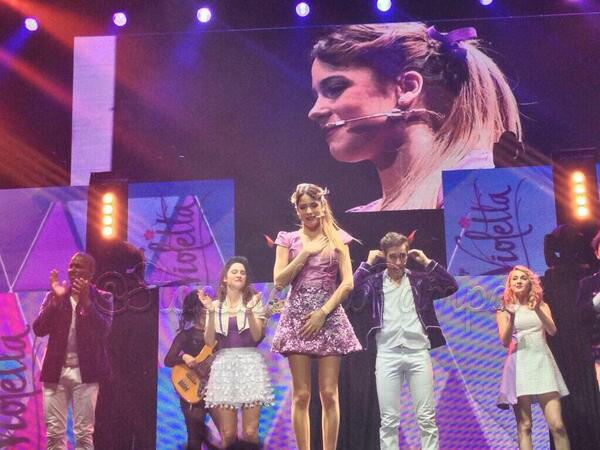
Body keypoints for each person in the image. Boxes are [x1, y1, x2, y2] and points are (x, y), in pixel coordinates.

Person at [308, 23, 521, 211]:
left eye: (334, 88)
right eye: (317, 95)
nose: (314, 111)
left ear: (407, 88)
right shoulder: (356, 220)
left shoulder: (479, 184)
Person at [271, 183, 362, 450]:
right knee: (301, 394)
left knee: (329, 393)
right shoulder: (288, 239)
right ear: (297, 210)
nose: (309, 211)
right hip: (298, 317)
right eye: (304, 207)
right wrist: (305, 253)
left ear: (322, 206)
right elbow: (279, 281)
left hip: (328, 314)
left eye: (314, 205)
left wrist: (323, 313)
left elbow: (347, 283)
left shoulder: (338, 238)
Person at [350, 232, 458, 449]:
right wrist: (367, 265)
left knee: (426, 417)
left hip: (418, 353)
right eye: (393, 256)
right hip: (387, 354)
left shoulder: (420, 280)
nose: (398, 261)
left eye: (403, 256)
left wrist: (427, 262)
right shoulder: (374, 282)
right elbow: (351, 295)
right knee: (389, 420)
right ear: (384, 256)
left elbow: (451, 285)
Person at [32, 252, 113, 450]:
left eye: (79, 266)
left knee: (84, 433)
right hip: (55, 372)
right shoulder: (55, 295)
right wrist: (55, 301)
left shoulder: (103, 297)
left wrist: (86, 302)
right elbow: (39, 329)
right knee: (54, 433)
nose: (73, 270)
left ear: (91, 272)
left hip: (86, 373)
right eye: (71, 266)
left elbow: (104, 331)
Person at [200, 256, 273, 448]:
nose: (239, 275)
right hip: (224, 366)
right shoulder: (215, 306)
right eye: (234, 272)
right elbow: (209, 341)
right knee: (228, 433)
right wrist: (210, 312)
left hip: (250, 364)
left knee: (250, 432)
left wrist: (249, 311)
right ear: (225, 278)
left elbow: (256, 336)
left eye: (242, 272)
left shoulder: (254, 302)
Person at [496, 265, 570, 450]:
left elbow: (552, 331)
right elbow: (505, 341)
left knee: (557, 426)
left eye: (523, 278)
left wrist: (536, 309)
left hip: (542, 363)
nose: (519, 281)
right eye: (514, 278)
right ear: (509, 284)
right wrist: (512, 317)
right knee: (525, 425)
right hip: (519, 365)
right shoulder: (504, 310)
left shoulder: (542, 305)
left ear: (530, 283)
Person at [164, 289, 219, 450]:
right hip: (192, 390)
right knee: (194, 436)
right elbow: (168, 360)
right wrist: (184, 357)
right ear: (197, 309)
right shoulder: (186, 335)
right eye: (203, 305)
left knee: (228, 433)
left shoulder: (219, 335)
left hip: (216, 389)